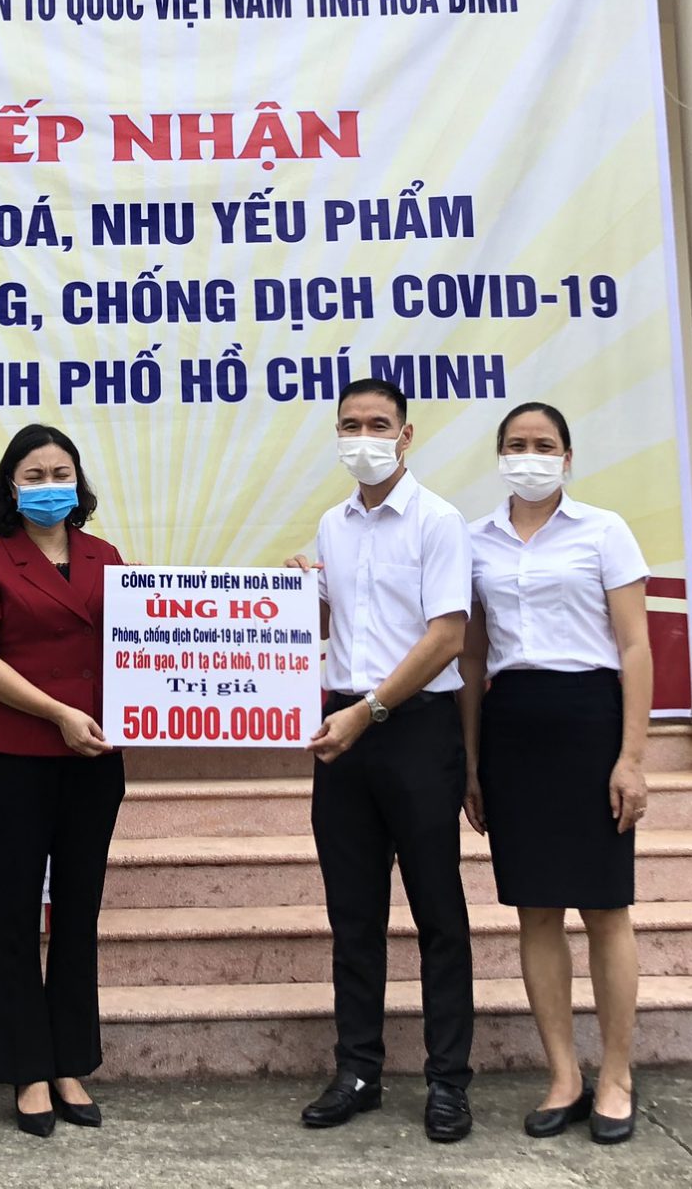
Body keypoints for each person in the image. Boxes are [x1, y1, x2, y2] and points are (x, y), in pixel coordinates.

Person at [459, 401, 652, 1146]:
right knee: (535, 909)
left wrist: (631, 757)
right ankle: (565, 1074)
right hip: (513, 725)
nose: (529, 455)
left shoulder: (604, 530)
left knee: (605, 907)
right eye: (516, 443)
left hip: (590, 719)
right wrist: (472, 761)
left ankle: (617, 1074)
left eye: (544, 444)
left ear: (567, 458)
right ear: (499, 455)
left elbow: (634, 647)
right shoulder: (475, 540)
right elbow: (473, 655)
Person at [291, 377, 475, 1143]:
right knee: (353, 915)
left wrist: (369, 712)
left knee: (439, 914)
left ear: (405, 435)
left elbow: (446, 637)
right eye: (349, 425)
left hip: (413, 730)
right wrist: (291, 599)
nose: (362, 437)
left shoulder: (439, 521)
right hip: (345, 733)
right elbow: (335, 619)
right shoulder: (332, 526)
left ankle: (448, 1081)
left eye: (377, 424)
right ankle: (358, 1071)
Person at [0, 423, 126, 1138]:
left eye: (61, 473)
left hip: (95, 758)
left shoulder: (107, 558)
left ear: (78, 483)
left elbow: (144, 643)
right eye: (34, 475)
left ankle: (70, 1062)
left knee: (80, 910)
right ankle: (26, 1068)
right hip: (16, 755)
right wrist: (58, 714)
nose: (50, 486)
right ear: (10, 486)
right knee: (17, 911)